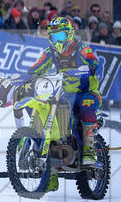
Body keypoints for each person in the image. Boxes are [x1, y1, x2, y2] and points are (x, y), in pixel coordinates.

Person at [20, 17, 101, 167]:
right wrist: (25, 77)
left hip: (87, 93)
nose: (57, 40)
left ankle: (89, 150)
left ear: (69, 34)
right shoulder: (50, 52)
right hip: (64, 94)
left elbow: (92, 59)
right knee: (49, 108)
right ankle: (48, 149)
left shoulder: (81, 47)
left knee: (86, 105)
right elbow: (38, 67)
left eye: (61, 36)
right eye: (53, 37)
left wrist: (90, 67)